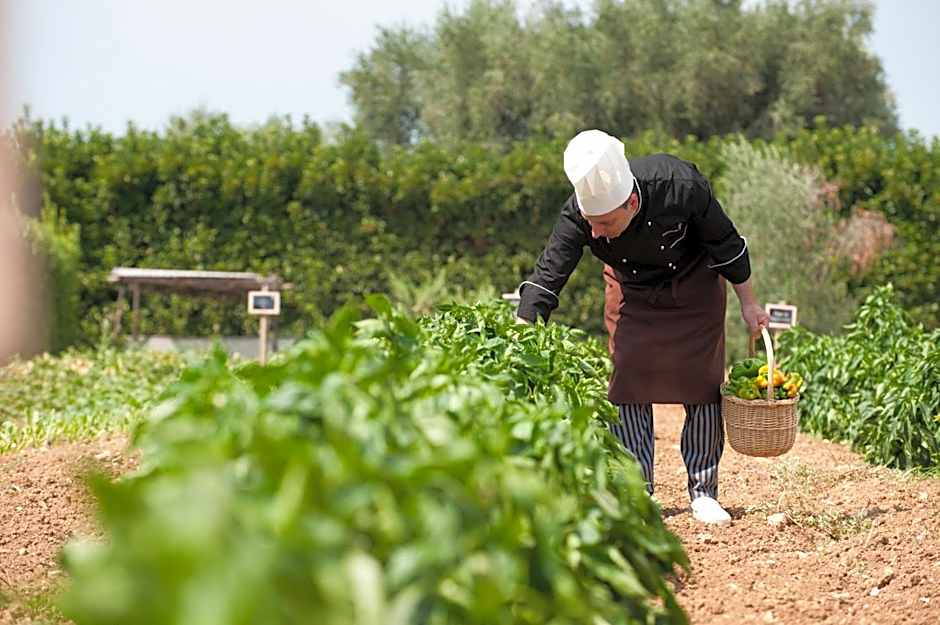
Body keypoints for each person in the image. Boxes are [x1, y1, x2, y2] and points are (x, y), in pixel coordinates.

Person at [515, 129, 769, 525]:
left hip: (693, 283)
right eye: (590, 223)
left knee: (701, 381)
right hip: (630, 286)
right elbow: (549, 273)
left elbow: (727, 244)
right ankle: (638, 490)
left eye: (603, 224)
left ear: (632, 202)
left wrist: (750, 304)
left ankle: (703, 492)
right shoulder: (580, 214)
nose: (594, 233)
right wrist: (522, 331)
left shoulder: (680, 185)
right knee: (627, 374)